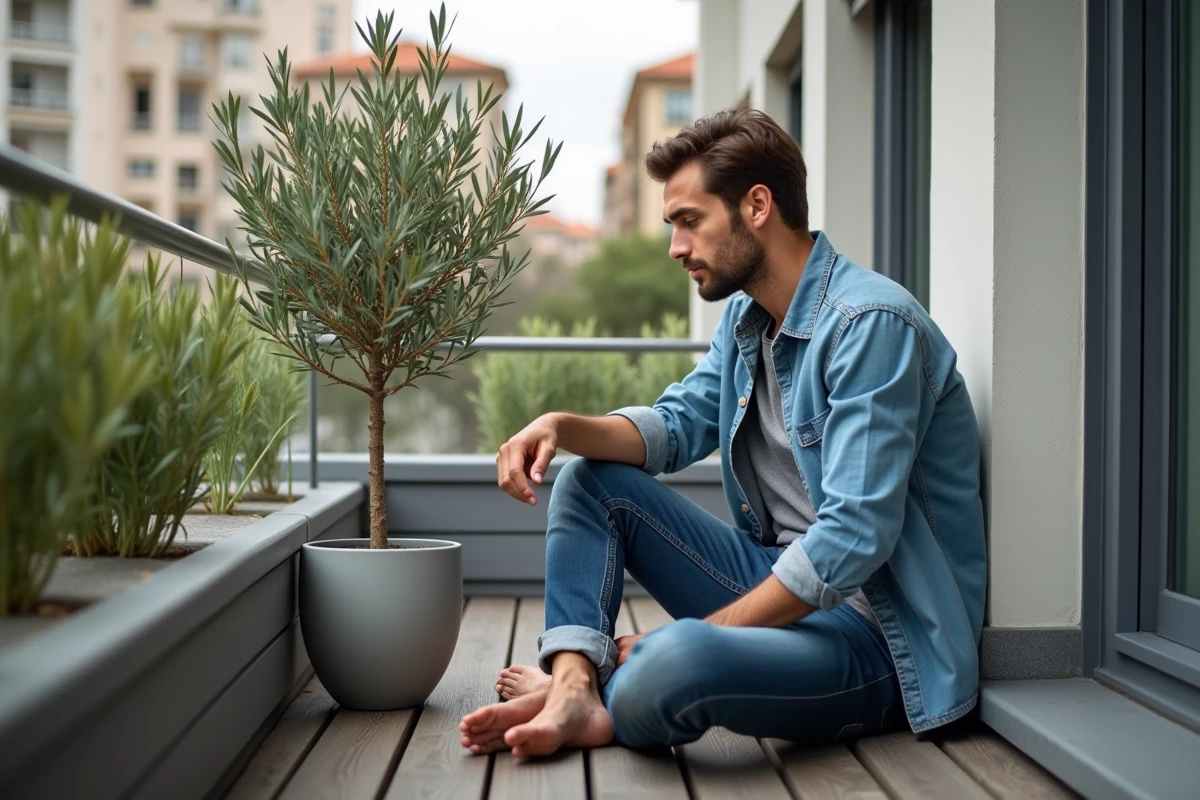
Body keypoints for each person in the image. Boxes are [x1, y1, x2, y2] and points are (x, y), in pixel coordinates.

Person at [459, 107, 986, 759]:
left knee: (672, 665)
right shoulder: (748, 317)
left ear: (757, 205)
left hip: (878, 638)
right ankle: (573, 690)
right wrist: (561, 426)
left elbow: (853, 538)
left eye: (689, 221)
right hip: (777, 581)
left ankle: (600, 680)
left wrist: (703, 635)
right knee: (590, 483)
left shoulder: (870, 326)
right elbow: (679, 424)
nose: (677, 247)